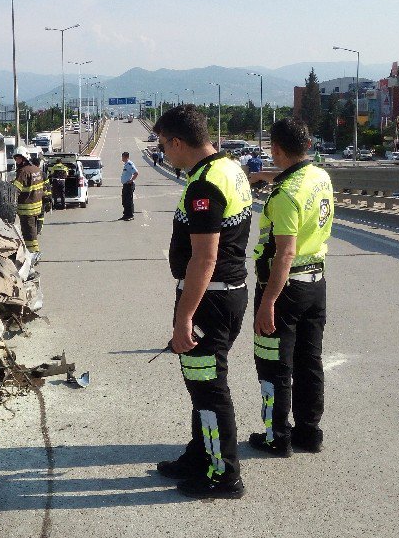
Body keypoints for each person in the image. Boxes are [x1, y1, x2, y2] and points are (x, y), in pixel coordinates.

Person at [152, 104, 253, 500]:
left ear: (178, 142)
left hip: (210, 300)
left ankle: (224, 474)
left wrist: (184, 317)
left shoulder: (204, 186)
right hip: (229, 294)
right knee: (202, 385)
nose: (163, 152)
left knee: (210, 390)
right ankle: (199, 455)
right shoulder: (228, 168)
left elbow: (205, 258)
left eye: (163, 144)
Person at [248, 118, 333, 458]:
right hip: (316, 283)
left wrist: (268, 301)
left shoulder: (284, 197)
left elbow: (284, 252)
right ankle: (309, 433)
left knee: (274, 366)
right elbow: (292, 179)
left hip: (284, 289)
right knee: (309, 361)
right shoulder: (319, 176)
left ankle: (277, 436)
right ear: (308, 146)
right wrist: (263, 177)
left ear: (276, 150)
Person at [11, 147, 45, 253]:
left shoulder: (23, 172)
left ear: (24, 158)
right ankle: (33, 252)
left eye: (19, 159)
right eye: (16, 159)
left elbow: (15, 190)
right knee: (33, 231)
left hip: (27, 209)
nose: (17, 161)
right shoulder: (36, 169)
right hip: (37, 207)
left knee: (29, 234)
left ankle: (33, 254)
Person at [119, 151, 138, 220]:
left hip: (129, 185)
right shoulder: (126, 164)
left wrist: (131, 180)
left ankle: (130, 215)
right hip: (125, 185)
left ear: (125, 157)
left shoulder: (130, 164)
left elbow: (136, 173)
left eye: (122, 157)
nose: (122, 158)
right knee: (124, 200)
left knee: (129, 200)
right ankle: (126, 215)